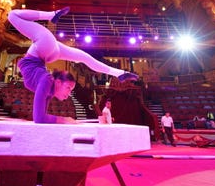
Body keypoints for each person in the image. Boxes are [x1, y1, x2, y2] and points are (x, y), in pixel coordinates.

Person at [8, 7, 138, 124]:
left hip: (43, 48)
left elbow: (39, 119)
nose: (69, 93)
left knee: (12, 15)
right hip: (44, 50)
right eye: (69, 88)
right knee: (85, 58)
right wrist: (64, 120)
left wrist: (63, 120)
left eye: (70, 88)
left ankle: (51, 15)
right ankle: (119, 73)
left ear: (58, 82)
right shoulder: (47, 84)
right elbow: (40, 119)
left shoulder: (47, 82)